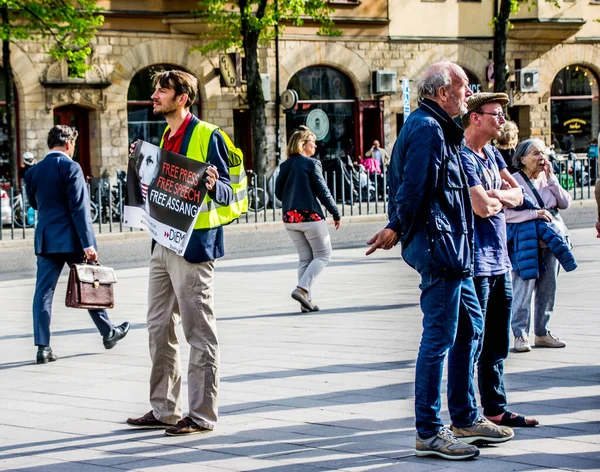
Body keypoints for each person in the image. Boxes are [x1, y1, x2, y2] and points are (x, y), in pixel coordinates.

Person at [366, 61, 513, 461]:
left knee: (470, 329)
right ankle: (429, 431)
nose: (469, 92)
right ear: (444, 92)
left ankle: (465, 417)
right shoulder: (428, 129)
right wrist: (395, 227)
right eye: (464, 86)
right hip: (440, 249)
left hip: (456, 251)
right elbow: (413, 187)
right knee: (439, 339)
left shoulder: (439, 128)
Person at [126, 70, 242, 436]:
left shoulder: (208, 135)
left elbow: (233, 191)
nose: (155, 95)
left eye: (163, 90)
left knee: (198, 331)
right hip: (162, 244)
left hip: (193, 249)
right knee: (158, 327)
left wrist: (214, 185)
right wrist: (141, 163)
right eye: (155, 89)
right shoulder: (164, 135)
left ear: (182, 98)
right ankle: (164, 409)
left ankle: (202, 414)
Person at [461, 93, 538, 428]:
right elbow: (482, 207)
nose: (503, 120)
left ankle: (495, 407)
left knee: (497, 342)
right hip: (475, 261)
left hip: (500, 261)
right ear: (476, 117)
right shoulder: (462, 156)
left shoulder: (492, 154)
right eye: (497, 114)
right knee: (471, 342)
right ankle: (467, 415)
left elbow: (520, 194)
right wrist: (499, 199)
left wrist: (499, 196)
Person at [24, 125, 130, 364]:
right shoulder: (71, 167)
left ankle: (43, 347)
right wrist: (88, 244)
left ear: (50, 144)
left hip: (47, 239)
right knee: (90, 286)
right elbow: (79, 208)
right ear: (69, 144)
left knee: (43, 293)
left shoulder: (33, 172)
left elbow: (35, 203)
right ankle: (108, 332)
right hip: (72, 239)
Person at [506, 139, 573, 352]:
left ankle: (542, 333)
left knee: (548, 288)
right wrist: (534, 214)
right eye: (535, 153)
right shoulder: (514, 181)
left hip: (551, 243)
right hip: (526, 242)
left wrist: (552, 178)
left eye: (543, 153)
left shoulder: (547, 179)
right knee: (523, 288)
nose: (541, 158)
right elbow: (506, 215)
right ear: (522, 158)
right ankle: (520, 334)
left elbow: (565, 203)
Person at [276, 126, 341, 313]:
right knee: (323, 255)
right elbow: (323, 191)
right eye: (312, 142)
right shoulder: (312, 164)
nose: (316, 146)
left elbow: (278, 192)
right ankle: (302, 289)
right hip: (310, 216)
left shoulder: (285, 165)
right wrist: (335, 212)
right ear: (303, 144)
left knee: (305, 258)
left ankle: (307, 302)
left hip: (290, 219)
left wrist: (292, 200)